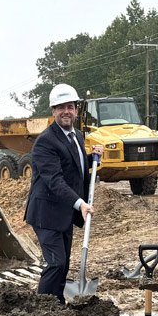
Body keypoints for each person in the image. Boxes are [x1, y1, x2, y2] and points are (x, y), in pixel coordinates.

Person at [25, 83, 104, 304]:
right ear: (53, 111)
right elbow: (54, 180)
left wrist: (92, 158)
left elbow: (72, 167)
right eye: (60, 107)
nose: (66, 111)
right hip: (46, 214)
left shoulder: (76, 136)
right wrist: (80, 204)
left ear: (76, 110)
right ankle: (42, 309)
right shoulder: (45, 142)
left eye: (70, 107)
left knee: (64, 263)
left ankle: (57, 305)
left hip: (63, 213)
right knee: (56, 263)